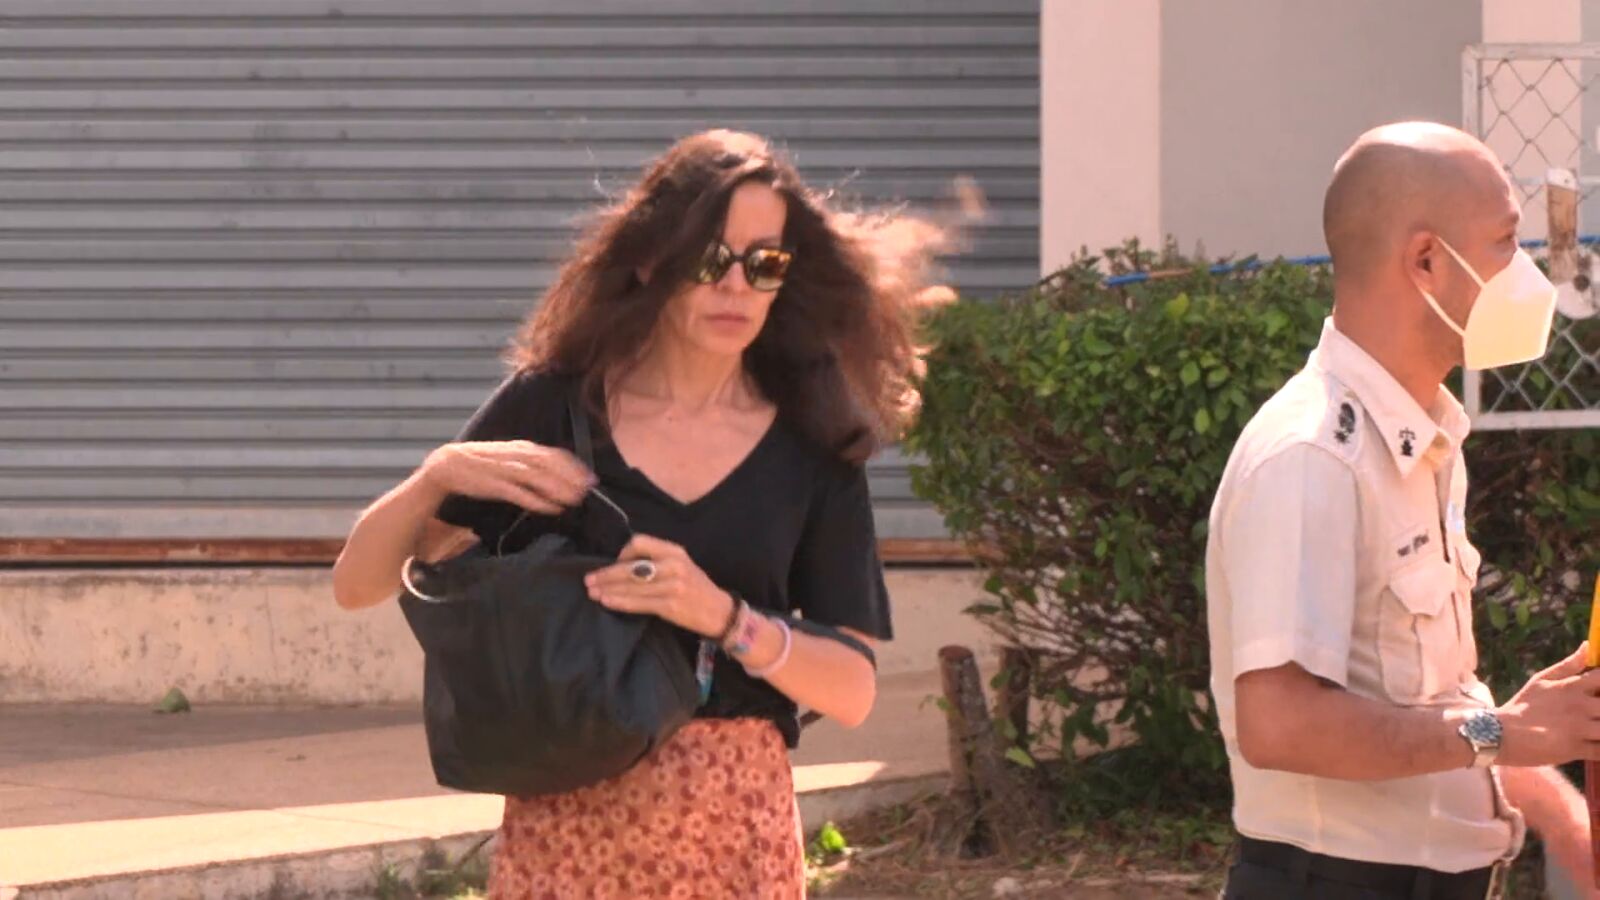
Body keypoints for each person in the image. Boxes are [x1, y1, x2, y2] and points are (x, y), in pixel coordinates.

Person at [331, 129, 952, 898]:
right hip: (567, 824)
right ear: (651, 261)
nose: (737, 287)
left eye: (764, 264)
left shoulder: (812, 446)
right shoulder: (555, 404)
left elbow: (852, 688)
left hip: (734, 829)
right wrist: (436, 478)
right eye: (710, 260)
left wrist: (725, 617)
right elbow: (356, 585)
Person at [1206, 121, 1592, 900]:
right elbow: (1280, 724)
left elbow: (1430, 707)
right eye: (1505, 243)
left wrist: (1563, 819)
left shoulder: (1421, 439)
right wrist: (1503, 731)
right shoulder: (1313, 456)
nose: (1525, 273)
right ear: (1425, 262)